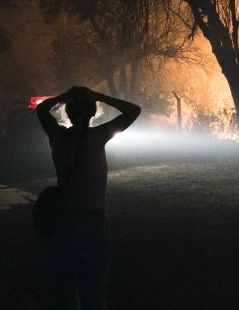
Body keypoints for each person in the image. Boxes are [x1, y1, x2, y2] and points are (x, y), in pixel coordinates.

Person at [37, 86, 141, 310]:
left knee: (66, 289)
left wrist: (64, 97)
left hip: (64, 222)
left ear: (69, 112)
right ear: (93, 112)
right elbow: (133, 111)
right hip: (93, 222)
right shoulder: (98, 137)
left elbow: (41, 110)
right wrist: (98, 96)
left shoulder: (59, 138)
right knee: (94, 289)